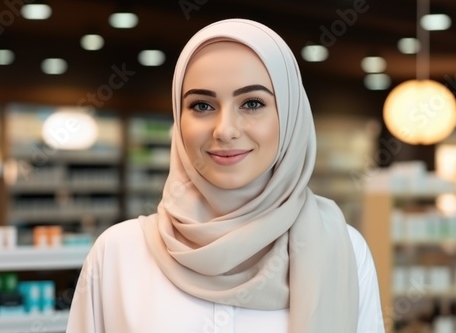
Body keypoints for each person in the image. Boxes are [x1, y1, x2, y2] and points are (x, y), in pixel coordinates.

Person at [67, 18, 385, 332]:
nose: (225, 130)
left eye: (252, 103)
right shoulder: (117, 254)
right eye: (202, 106)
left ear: (290, 116)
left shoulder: (344, 250)